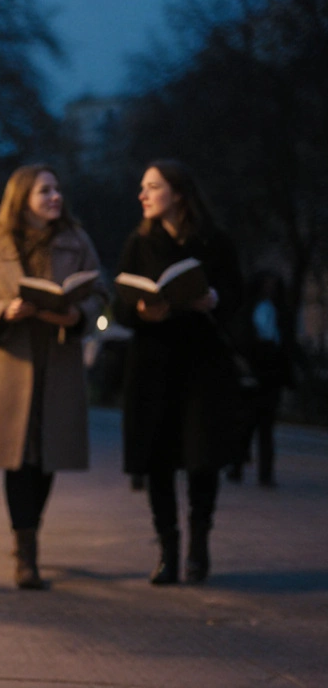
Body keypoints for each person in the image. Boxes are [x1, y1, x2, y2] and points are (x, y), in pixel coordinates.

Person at [0, 164, 108, 590]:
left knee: (48, 456)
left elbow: (99, 292)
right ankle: (26, 549)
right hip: (11, 363)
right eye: (45, 191)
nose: (55, 197)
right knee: (18, 457)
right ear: (22, 197)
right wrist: (2, 311)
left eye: (58, 189)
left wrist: (77, 313)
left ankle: (30, 531)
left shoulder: (77, 241)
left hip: (57, 362)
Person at [114, 159, 245, 586]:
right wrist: (140, 308)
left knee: (202, 458)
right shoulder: (138, 242)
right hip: (153, 364)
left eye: (152, 186)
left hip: (202, 365)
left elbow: (236, 300)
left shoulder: (215, 242)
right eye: (142, 187)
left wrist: (214, 301)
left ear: (178, 193)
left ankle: (198, 547)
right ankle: (168, 549)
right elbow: (119, 305)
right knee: (158, 459)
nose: (143, 195)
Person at [227, 271, 298, 487]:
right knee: (247, 423)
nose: (270, 289)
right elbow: (240, 339)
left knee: (266, 426)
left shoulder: (280, 311)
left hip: (271, 373)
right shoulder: (247, 311)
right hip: (253, 371)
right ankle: (237, 466)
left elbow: (287, 341)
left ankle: (265, 474)